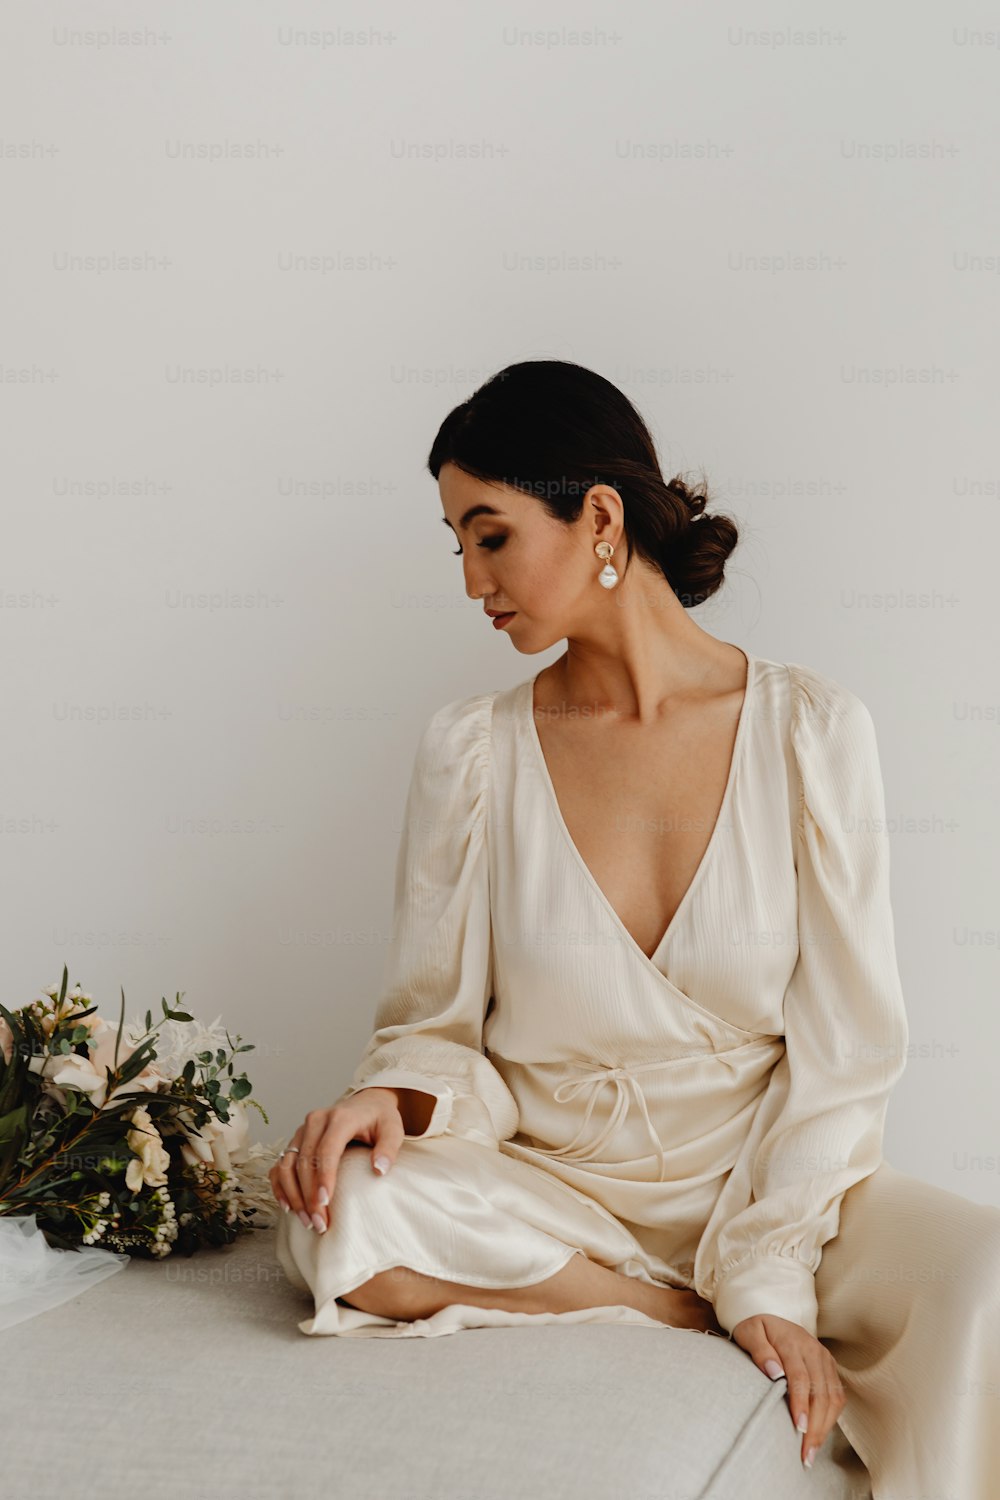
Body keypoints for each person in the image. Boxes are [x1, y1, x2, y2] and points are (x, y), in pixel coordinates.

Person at [271, 360, 1000, 1499]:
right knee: (338, 1210)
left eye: (491, 535)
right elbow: (436, 1028)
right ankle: (664, 1315)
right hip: (556, 1202)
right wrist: (392, 1100)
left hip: (781, 1197)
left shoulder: (811, 731)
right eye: (456, 544)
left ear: (598, 516)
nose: (470, 580)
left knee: (986, 1281)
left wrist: (765, 1276)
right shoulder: (471, 753)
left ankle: (737, 1302)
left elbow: (850, 1055)